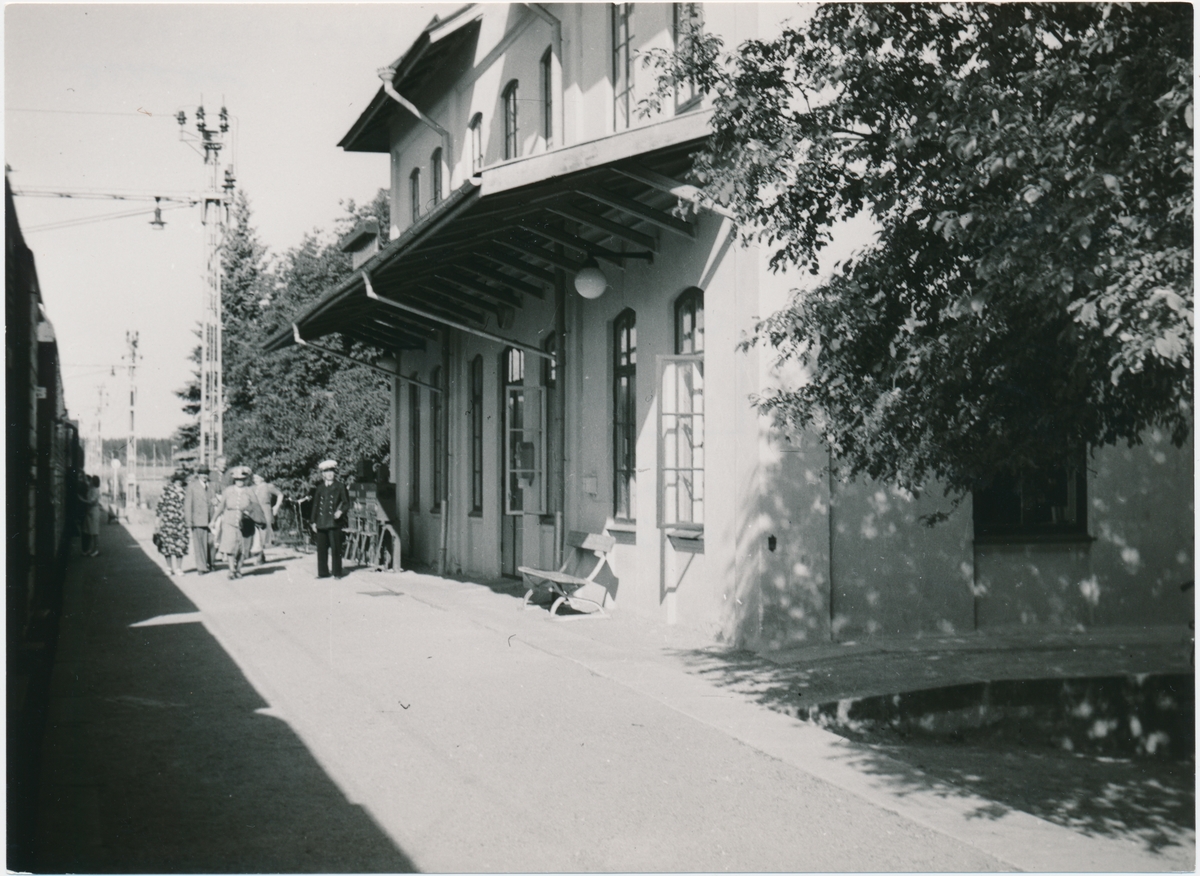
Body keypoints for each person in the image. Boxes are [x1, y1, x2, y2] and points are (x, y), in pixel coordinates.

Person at [209, 466, 265, 580]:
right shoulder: (228, 490)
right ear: (234, 480)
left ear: (245, 479)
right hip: (229, 521)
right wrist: (213, 520)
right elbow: (221, 506)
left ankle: (238, 569)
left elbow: (256, 507)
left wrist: (252, 514)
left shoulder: (249, 491)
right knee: (230, 546)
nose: (240, 481)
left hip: (246, 523)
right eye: (237, 479)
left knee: (243, 548)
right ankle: (231, 570)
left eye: (242, 479)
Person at [309, 459, 350, 579]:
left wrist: (340, 511)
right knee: (321, 549)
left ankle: (337, 573)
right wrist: (313, 521)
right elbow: (315, 505)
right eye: (327, 472)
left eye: (331, 471)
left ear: (334, 473)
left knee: (336, 549)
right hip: (321, 522)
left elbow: (347, 503)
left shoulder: (340, 486)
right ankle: (323, 572)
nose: (329, 474)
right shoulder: (320, 488)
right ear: (323, 474)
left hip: (334, 522)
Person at [155, 470, 191, 576]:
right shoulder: (167, 490)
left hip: (181, 522)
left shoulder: (186, 490)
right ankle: (169, 567)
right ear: (174, 480)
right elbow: (160, 505)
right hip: (168, 522)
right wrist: (157, 521)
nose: (179, 482)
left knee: (181, 545)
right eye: (177, 479)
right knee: (167, 545)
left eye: (181, 480)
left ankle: (179, 568)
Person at [184, 465, 213, 574]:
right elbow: (188, 504)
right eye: (202, 474)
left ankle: (209, 563)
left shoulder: (211, 485)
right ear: (199, 475)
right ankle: (201, 567)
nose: (204, 476)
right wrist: (189, 520)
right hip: (198, 519)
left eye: (206, 473)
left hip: (211, 519)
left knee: (211, 543)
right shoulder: (192, 486)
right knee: (199, 544)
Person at [250, 473, 284, 564]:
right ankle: (260, 555)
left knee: (263, 532)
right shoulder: (252, 488)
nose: (255, 479)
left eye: (257, 477)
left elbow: (280, 495)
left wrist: (276, 506)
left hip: (265, 510)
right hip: (255, 511)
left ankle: (260, 556)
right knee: (255, 533)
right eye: (254, 478)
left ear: (262, 478)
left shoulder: (268, 486)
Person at [81, 474, 102, 557]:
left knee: (95, 532)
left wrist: (81, 500)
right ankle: (91, 549)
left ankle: (96, 550)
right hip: (90, 511)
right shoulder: (91, 489)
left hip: (94, 511)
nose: (90, 482)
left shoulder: (95, 490)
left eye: (91, 480)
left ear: (94, 482)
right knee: (89, 531)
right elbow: (86, 481)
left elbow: (91, 501)